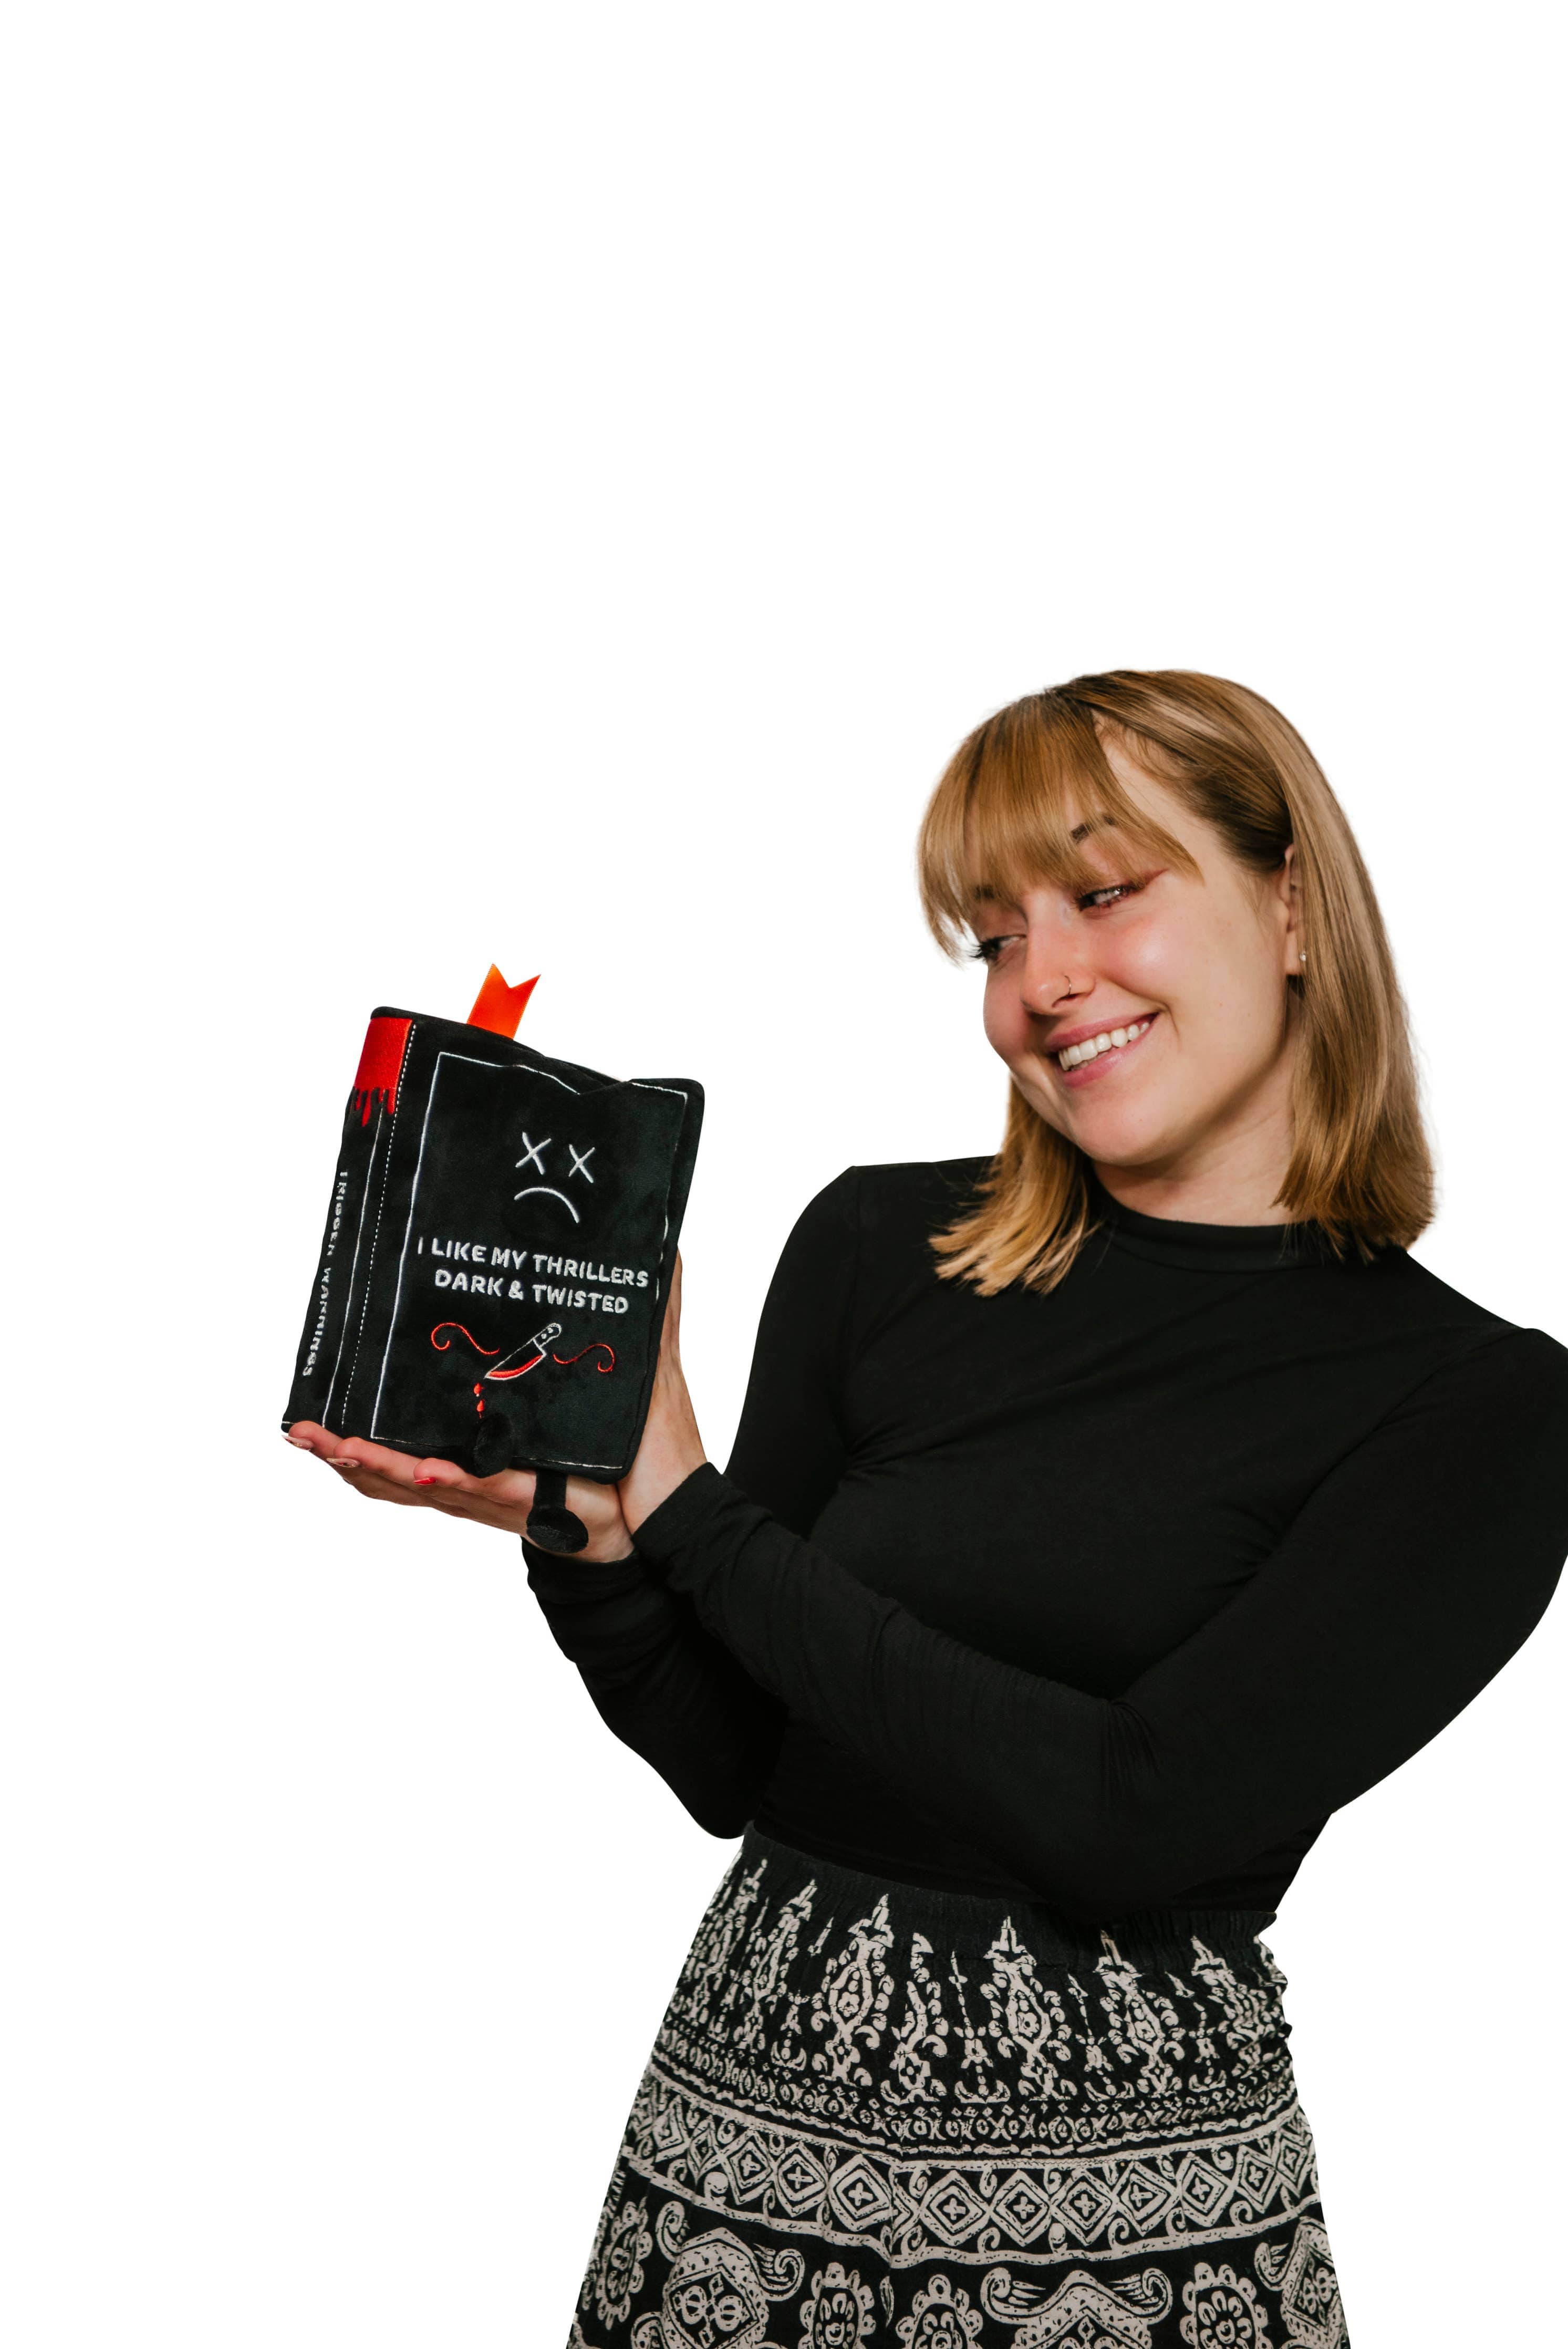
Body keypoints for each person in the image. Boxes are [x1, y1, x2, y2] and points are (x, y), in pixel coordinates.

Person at [288, 670, 1568, 2348]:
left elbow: (1133, 1813)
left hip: (1128, 2256)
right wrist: (594, 1532)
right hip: (733, 2177)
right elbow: (746, 1770)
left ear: (1291, 905)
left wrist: (689, 1508)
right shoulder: (880, 1250)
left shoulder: (1476, 1408)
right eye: (990, 936)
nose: (1041, 985)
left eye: (1104, 893)